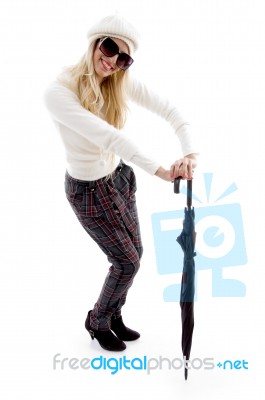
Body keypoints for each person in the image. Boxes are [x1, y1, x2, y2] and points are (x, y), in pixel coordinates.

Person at [44, 14, 198, 352]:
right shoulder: (58, 92)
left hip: (119, 178)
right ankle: (97, 320)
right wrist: (161, 170)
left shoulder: (119, 80)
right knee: (127, 262)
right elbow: (110, 137)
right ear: (96, 42)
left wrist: (190, 155)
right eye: (110, 47)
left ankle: (113, 314)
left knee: (134, 255)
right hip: (88, 191)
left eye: (123, 58)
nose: (112, 61)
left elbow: (172, 111)